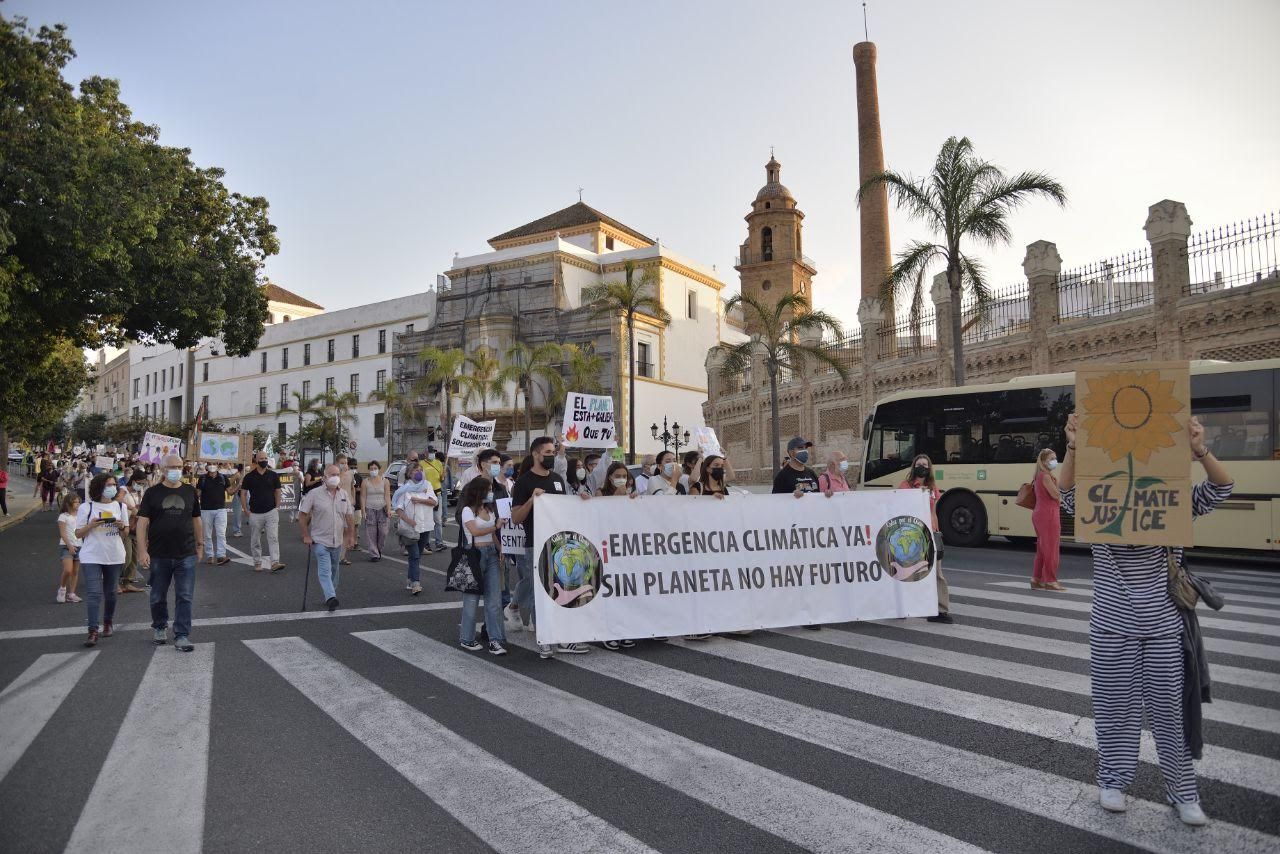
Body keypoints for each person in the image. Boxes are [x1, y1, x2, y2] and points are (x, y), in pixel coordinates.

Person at [1057, 414, 1231, 825]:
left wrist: (1199, 450)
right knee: (1115, 707)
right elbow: (1065, 494)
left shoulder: (1172, 500)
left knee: (1171, 710)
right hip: (1111, 624)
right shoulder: (1099, 500)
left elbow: (1222, 487)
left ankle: (1183, 792)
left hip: (1163, 625)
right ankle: (1113, 780)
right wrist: (1074, 446)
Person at [511, 435, 590, 658]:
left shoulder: (557, 479)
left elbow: (563, 510)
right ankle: (544, 638)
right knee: (541, 594)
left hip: (558, 545)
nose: (551, 456)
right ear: (535, 454)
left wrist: (580, 501)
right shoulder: (524, 482)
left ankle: (564, 639)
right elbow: (516, 517)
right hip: (535, 545)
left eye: (553, 453)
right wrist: (531, 501)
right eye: (547, 453)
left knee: (564, 592)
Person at [136, 455, 203, 651]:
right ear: (163, 469)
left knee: (185, 595)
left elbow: (196, 519)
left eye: (179, 466)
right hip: (159, 554)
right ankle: (159, 626)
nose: (176, 469)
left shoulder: (190, 491)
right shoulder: (152, 493)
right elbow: (142, 522)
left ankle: (182, 635)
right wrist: (141, 550)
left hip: (186, 553)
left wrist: (201, 544)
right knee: (157, 595)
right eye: (172, 466)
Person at [74, 473, 130, 647]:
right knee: (94, 593)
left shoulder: (120, 506)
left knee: (111, 592)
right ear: (99, 487)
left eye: (114, 484)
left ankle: (108, 622)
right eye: (108, 485)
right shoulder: (86, 507)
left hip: (114, 555)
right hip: (92, 555)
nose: (112, 487)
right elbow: (77, 534)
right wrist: (91, 524)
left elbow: (126, 532)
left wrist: (121, 526)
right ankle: (92, 630)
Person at [898, 454, 953, 624]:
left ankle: (941, 610)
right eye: (919, 464)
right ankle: (900, 607)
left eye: (925, 464)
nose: (922, 467)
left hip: (930, 534)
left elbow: (933, 511)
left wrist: (937, 530)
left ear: (929, 468)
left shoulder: (932, 488)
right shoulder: (905, 486)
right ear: (914, 466)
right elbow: (900, 507)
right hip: (911, 535)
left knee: (937, 573)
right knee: (906, 572)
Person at [458, 477, 508, 655]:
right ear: (479, 491)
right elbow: (475, 531)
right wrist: (495, 526)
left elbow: (493, 535)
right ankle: (467, 638)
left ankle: (495, 640)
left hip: (492, 555)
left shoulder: (489, 508)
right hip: (474, 555)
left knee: (494, 600)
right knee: (471, 600)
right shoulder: (467, 510)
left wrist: (500, 548)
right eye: (487, 489)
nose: (491, 492)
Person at [298, 464, 356, 612]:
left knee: (334, 569)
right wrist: (306, 535)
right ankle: (331, 597)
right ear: (324, 477)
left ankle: (331, 592)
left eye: (337, 474)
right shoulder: (314, 494)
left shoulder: (343, 494)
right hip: (319, 540)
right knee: (325, 570)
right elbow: (302, 515)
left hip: (337, 541)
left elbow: (349, 517)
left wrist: (351, 536)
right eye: (332, 474)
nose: (335, 477)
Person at [393, 461, 437, 596]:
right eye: (415, 471)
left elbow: (434, 502)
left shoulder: (427, 485)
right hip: (410, 528)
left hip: (426, 525)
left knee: (416, 556)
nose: (418, 473)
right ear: (409, 474)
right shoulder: (404, 490)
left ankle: (410, 579)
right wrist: (409, 521)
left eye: (420, 470)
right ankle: (416, 583)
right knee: (415, 555)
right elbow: (398, 509)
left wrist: (420, 500)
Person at [241, 451, 285, 573]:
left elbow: (278, 491)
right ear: (256, 460)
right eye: (261, 458)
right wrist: (245, 509)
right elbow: (243, 493)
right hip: (255, 513)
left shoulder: (273, 475)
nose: (264, 460)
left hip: (271, 511)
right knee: (255, 539)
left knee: (273, 537)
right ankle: (257, 562)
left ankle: (275, 562)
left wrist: (277, 506)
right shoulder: (249, 477)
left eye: (266, 458)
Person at [1030, 448, 1065, 592]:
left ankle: (1036, 579)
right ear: (1043, 461)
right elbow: (1055, 495)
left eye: (1055, 458)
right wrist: (1061, 490)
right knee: (1051, 549)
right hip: (1048, 514)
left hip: (1040, 514)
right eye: (1051, 459)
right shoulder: (1045, 476)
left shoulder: (1039, 475)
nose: (1054, 461)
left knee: (1042, 549)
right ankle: (1050, 581)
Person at [114, 471, 146, 593]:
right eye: (139, 483)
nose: (141, 485)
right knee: (126, 555)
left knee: (134, 557)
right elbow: (118, 500)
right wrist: (132, 508)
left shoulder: (139, 492)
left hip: (136, 526)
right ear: (133, 480)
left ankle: (127, 582)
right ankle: (115, 581)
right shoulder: (123, 489)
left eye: (143, 484)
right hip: (125, 526)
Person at [196, 463, 231, 566]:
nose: (212, 466)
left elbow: (230, 492)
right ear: (207, 467)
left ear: (218, 465)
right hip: (206, 510)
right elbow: (197, 494)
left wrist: (239, 485)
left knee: (221, 533)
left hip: (221, 509)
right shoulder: (202, 479)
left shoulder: (223, 478)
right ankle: (210, 555)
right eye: (210, 464)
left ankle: (221, 555)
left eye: (214, 464)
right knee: (207, 534)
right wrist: (194, 488)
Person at [362, 459, 391, 561]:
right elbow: (363, 497)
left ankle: (378, 549)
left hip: (382, 508)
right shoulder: (365, 482)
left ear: (379, 469)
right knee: (371, 532)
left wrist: (389, 509)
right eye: (371, 469)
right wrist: (363, 511)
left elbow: (387, 496)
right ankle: (374, 553)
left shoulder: (385, 481)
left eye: (375, 468)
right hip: (370, 508)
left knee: (383, 532)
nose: (373, 470)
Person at [56, 493, 83, 604]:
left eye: (78, 502)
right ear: (69, 503)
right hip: (66, 546)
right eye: (75, 502)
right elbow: (62, 533)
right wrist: (70, 546)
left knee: (75, 572)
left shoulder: (81, 515)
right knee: (68, 570)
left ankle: (72, 594)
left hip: (80, 545)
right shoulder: (63, 516)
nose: (77, 504)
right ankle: (62, 589)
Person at [421, 451, 447, 552]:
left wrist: (443, 475)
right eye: (429, 452)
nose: (431, 454)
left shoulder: (438, 463)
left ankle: (439, 542)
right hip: (426, 495)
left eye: (433, 452)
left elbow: (442, 479)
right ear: (425, 453)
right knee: (427, 520)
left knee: (437, 520)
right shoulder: (421, 463)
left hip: (437, 494)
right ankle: (426, 543)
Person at [228, 463, 245, 537]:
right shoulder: (237, 474)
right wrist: (235, 488)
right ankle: (237, 530)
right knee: (237, 513)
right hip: (238, 494)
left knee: (253, 510)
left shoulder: (248, 474)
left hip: (247, 493)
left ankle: (259, 527)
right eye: (246, 466)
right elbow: (229, 482)